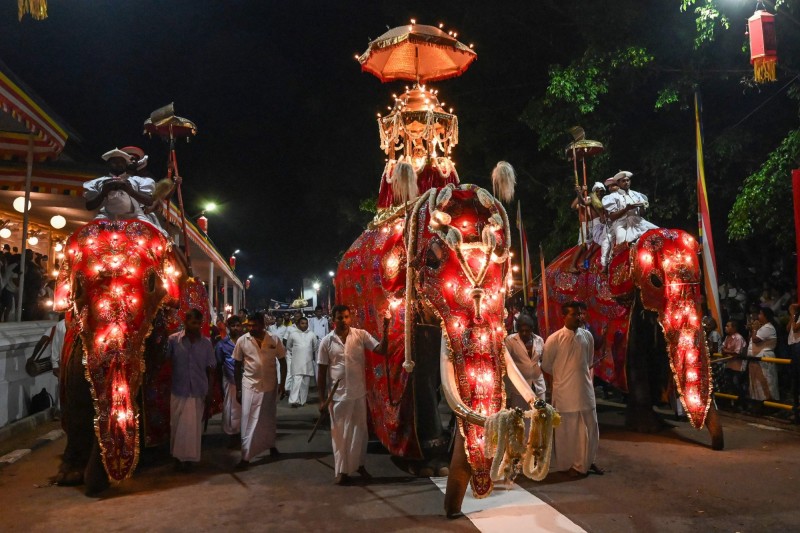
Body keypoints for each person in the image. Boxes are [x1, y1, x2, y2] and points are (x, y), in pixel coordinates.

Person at [317, 304, 389, 485]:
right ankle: (341, 471)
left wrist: (386, 328)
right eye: (339, 317)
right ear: (333, 319)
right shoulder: (326, 341)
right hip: (338, 395)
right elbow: (321, 371)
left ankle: (359, 465)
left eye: (346, 317)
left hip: (358, 392)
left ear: (351, 318)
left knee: (359, 432)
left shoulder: (360, 335)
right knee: (339, 434)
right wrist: (321, 398)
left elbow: (381, 350)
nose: (343, 321)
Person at [542, 301, 603, 477]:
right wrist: (564, 376)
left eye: (580, 314)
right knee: (568, 432)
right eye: (574, 314)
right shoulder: (554, 339)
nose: (579, 317)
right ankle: (570, 465)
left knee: (590, 428)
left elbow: (589, 362)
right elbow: (546, 366)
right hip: (565, 393)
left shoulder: (587, 337)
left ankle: (588, 461)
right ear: (564, 316)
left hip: (585, 391)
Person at [233, 311, 287, 469]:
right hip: (250, 385)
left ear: (263, 325)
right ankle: (246, 456)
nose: (251, 328)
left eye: (254, 325)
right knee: (248, 419)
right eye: (249, 325)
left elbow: (282, 362)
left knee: (268, 417)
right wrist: (238, 389)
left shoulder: (274, 339)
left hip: (270, 384)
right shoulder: (243, 340)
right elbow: (237, 365)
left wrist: (282, 384)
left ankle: (270, 445)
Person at [166, 309, 216, 471]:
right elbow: (166, 363)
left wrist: (209, 391)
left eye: (198, 323)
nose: (196, 326)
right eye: (193, 323)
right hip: (178, 389)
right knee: (176, 425)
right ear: (186, 322)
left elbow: (211, 369)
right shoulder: (173, 341)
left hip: (198, 391)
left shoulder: (206, 343)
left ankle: (189, 459)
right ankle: (177, 458)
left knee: (193, 428)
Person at [83, 147, 166, 234]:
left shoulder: (139, 181)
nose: (118, 164)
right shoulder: (97, 182)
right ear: (108, 164)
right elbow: (89, 206)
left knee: (155, 236)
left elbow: (149, 202)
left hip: (136, 217)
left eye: (121, 162)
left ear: (126, 164)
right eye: (114, 162)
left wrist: (130, 191)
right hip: (106, 218)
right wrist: (104, 192)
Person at [503, 314, 546, 423]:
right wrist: (507, 393)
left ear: (532, 329)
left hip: (537, 385)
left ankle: (538, 440)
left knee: (539, 419)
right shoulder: (510, 341)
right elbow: (506, 364)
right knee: (521, 420)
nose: (524, 333)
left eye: (527, 331)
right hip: (518, 389)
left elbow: (543, 360)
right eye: (521, 331)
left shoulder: (539, 340)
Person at [602, 171, 658, 251]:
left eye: (628, 180)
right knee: (622, 243)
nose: (626, 182)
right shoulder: (613, 197)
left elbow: (642, 214)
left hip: (638, 221)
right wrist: (626, 209)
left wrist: (642, 207)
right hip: (621, 224)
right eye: (623, 181)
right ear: (618, 183)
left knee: (656, 233)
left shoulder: (637, 195)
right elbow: (612, 217)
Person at [215, 315, 244, 448]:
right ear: (228, 327)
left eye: (238, 325)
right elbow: (219, 364)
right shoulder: (222, 344)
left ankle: (244, 435)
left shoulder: (246, 342)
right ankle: (232, 435)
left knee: (245, 408)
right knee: (232, 408)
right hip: (230, 379)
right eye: (233, 326)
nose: (236, 328)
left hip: (246, 379)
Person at [569, 182, 607, 272]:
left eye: (602, 192)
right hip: (588, 225)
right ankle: (573, 265)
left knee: (593, 245)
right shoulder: (590, 199)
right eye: (598, 191)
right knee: (584, 245)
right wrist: (581, 192)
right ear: (595, 192)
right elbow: (575, 205)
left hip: (600, 225)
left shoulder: (605, 200)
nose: (600, 194)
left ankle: (586, 265)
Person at [747, 307, 779, 404]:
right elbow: (750, 338)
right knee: (757, 383)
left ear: (765, 316)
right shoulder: (762, 327)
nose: (758, 316)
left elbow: (755, 339)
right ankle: (759, 403)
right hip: (756, 358)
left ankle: (769, 404)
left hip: (763, 358)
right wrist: (752, 329)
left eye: (760, 314)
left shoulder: (768, 327)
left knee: (766, 381)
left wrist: (755, 329)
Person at [286, 316, 319, 407]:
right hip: (297, 362)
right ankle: (293, 401)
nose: (304, 325)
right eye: (302, 323)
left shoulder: (311, 334)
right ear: (298, 324)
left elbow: (315, 347)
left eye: (306, 323)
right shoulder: (293, 334)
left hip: (308, 362)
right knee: (296, 382)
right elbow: (289, 346)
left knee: (305, 383)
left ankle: (302, 401)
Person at [721, 320, 748, 402]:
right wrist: (728, 351)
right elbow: (722, 349)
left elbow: (737, 353)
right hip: (730, 364)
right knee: (729, 384)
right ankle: (733, 403)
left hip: (738, 366)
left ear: (734, 328)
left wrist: (727, 351)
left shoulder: (738, 338)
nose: (725, 327)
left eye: (728, 326)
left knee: (737, 384)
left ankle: (742, 403)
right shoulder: (727, 337)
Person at [788, 303, 800, 411]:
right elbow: (788, 328)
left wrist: (793, 314)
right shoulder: (795, 317)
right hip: (792, 344)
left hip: (798, 344)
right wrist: (792, 316)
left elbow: (795, 328)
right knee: (794, 374)